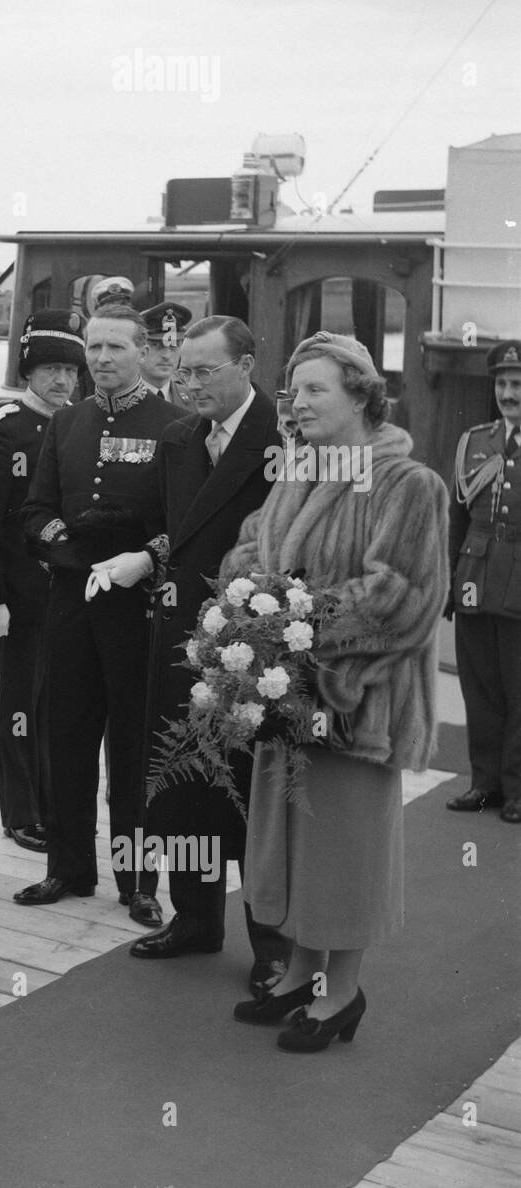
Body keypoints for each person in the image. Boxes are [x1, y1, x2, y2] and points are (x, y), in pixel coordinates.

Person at [225, 332, 448, 1050]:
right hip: (287, 697)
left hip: (360, 704)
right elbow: (248, 550)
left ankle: (342, 993)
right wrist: (247, 612)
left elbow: (403, 597)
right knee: (293, 845)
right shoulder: (298, 469)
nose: (297, 402)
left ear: (361, 396)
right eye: (293, 390)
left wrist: (298, 626)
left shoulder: (408, 483)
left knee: (344, 851)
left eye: (315, 389)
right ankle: (301, 976)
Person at [95, 316, 289, 991]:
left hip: (255, 643)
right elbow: (164, 529)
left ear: (247, 365)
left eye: (207, 371)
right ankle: (196, 918)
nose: (191, 383)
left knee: (251, 794)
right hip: (181, 633)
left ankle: (272, 942)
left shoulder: (283, 441)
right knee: (182, 784)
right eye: (184, 370)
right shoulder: (179, 439)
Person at [17, 305, 187, 918]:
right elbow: (35, 511)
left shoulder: (175, 425)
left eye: (116, 347)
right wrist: (65, 545)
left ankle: (136, 882)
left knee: (135, 747)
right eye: (94, 347)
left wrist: (144, 557)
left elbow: (184, 523)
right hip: (71, 602)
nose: (103, 358)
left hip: (138, 607)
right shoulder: (67, 422)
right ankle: (67, 868)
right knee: (65, 736)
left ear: (143, 351)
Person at [0, 309, 85, 853]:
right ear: (29, 372)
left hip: (69, 593)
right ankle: (20, 812)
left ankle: (51, 804)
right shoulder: (2, 428)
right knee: (20, 703)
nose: (61, 380)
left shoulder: (82, 424)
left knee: (58, 704)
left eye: (69, 370)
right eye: (49, 370)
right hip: (20, 595)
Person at [445, 340, 521, 824]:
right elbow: (457, 518)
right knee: (480, 688)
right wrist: (450, 583)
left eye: (517, 385)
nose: (508, 394)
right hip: (475, 578)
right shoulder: (474, 441)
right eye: (502, 384)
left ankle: (518, 789)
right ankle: (485, 783)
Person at [138, 302, 195, 410]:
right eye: (156, 345)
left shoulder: (194, 399)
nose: (167, 355)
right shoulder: (121, 399)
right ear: (140, 349)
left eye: (174, 346)